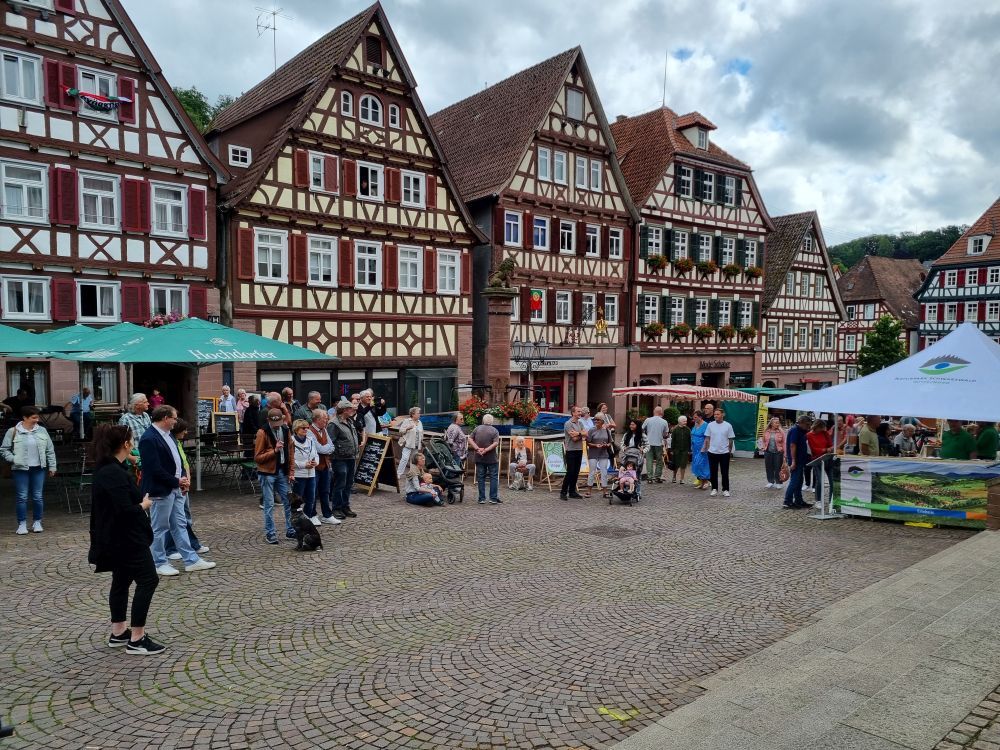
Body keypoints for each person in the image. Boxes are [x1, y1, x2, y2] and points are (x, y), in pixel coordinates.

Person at [87, 424, 165, 655]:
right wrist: (144, 505)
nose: (133, 443)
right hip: (126, 538)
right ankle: (137, 638)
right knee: (148, 580)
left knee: (121, 581)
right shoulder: (112, 472)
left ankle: (119, 631)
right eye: (131, 440)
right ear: (125, 444)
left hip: (118, 537)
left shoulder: (112, 468)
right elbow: (123, 510)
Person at [139, 405, 215, 576]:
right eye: (174, 418)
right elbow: (153, 469)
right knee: (159, 528)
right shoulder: (149, 438)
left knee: (180, 524)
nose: (175, 421)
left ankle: (191, 560)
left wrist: (182, 480)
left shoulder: (168, 436)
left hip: (175, 488)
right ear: (165, 418)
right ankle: (159, 562)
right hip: (161, 490)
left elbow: (177, 460)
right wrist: (176, 480)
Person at [2, 405, 57, 534]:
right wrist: (14, 459)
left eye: (37, 417)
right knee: (22, 497)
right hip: (20, 469)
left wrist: (52, 466)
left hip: (39, 468)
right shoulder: (13, 431)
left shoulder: (42, 431)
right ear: (25, 418)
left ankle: (37, 522)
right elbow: (4, 449)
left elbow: (50, 450)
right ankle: (22, 524)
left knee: (38, 497)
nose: (37, 420)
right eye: (34, 417)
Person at [164, 419, 209, 561]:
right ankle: (172, 548)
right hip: (177, 484)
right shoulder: (169, 442)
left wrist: (188, 479)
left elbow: (184, 463)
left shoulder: (176, 442)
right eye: (183, 429)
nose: (186, 432)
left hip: (183, 483)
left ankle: (189, 545)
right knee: (176, 519)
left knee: (184, 517)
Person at [255, 408, 296, 544]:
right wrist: (274, 450)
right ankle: (270, 533)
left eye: (279, 422)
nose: (277, 425)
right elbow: (258, 458)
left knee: (288, 502)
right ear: (268, 421)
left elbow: (290, 451)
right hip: (267, 473)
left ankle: (290, 530)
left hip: (282, 472)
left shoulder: (285, 430)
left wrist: (291, 471)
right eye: (274, 423)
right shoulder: (263, 432)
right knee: (269, 504)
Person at [327, 401, 358, 522]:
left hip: (351, 457)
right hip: (339, 459)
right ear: (344, 410)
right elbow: (331, 442)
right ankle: (336, 508)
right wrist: (333, 456)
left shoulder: (350, 421)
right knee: (340, 483)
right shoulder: (334, 424)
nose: (352, 410)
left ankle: (345, 506)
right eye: (350, 408)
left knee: (349, 483)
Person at [309, 410, 337, 524]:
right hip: (314, 467)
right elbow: (318, 448)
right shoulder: (310, 431)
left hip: (325, 465)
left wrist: (326, 449)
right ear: (317, 419)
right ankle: (312, 514)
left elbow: (332, 446)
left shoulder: (324, 429)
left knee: (325, 491)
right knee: (313, 492)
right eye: (324, 418)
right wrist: (327, 449)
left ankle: (327, 514)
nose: (326, 420)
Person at [291, 419, 320, 525]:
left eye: (307, 428)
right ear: (296, 429)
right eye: (303, 428)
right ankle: (296, 519)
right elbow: (290, 460)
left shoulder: (310, 440)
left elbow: (316, 454)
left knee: (311, 498)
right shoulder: (291, 441)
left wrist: (315, 462)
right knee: (298, 499)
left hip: (311, 473)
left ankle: (308, 517)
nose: (306, 430)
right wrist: (304, 465)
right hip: (299, 475)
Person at [783, 414, 815, 509]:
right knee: (794, 481)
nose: (809, 427)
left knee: (799, 481)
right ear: (801, 423)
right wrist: (793, 461)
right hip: (796, 460)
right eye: (807, 425)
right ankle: (787, 501)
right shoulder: (795, 430)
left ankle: (798, 500)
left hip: (800, 460)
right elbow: (792, 445)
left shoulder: (801, 430)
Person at [703, 408, 735, 497]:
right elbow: (707, 437)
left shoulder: (728, 425)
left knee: (725, 472)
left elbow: (731, 438)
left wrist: (729, 450)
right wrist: (708, 447)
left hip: (724, 452)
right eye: (715, 414)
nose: (716, 416)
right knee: (713, 472)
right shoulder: (710, 425)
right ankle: (714, 488)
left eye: (718, 414)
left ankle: (725, 489)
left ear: (722, 415)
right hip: (712, 452)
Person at [469, 413, 501, 504]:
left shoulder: (477, 428)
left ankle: (481, 498)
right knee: (493, 477)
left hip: (479, 457)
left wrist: (477, 448)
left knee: (481, 477)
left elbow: (470, 439)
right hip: (491, 458)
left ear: (483, 421)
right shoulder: (495, 430)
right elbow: (495, 443)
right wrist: (486, 450)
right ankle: (493, 498)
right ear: (492, 421)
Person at [560, 406, 585, 501]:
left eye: (580, 411)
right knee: (570, 472)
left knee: (576, 472)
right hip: (570, 450)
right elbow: (574, 439)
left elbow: (586, 434)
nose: (580, 413)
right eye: (578, 411)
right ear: (573, 413)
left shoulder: (581, 423)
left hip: (579, 449)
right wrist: (581, 434)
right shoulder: (568, 423)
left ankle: (572, 492)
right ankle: (563, 492)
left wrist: (578, 433)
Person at [584, 413, 612, 496]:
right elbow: (587, 443)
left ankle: (605, 491)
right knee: (592, 472)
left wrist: (606, 445)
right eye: (595, 419)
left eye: (598, 420)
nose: (596, 421)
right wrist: (595, 445)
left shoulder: (606, 430)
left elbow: (610, 442)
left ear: (603, 421)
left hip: (603, 453)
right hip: (593, 453)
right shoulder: (591, 430)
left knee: (604, 472)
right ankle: (589, 491)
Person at [807, 419, 834, 493]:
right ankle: (818, 500)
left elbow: (831, 445)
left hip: (828, 459)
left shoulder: (824, 433)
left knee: (833, 481)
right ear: (816, 426)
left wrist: (830, 448)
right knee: (820, 482)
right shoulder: (809, 435)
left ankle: (831, 501)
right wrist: (825, 449)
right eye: (821, 428)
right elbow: (813, 449)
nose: (822, 429)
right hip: (817, 460)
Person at [642, 406, 669, 482]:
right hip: (659, 443)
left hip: (649, 442)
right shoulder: (664, 421)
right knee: (659, 460)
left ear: (654, 411)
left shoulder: (648, 420)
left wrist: (644, 437)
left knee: (649, 460)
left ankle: (650, 477)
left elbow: (641, 429)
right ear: (661, 412)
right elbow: (666, 434)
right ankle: (657, 477)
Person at [396, 406, 423, 477]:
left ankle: (412, 473)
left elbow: (421, 433)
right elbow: (400, 431)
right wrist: (407, 428)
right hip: (408, 443)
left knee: (414, 460)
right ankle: (398, 474)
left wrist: (421, 441)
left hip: (416, 444)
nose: (419, 414)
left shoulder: (420, 422)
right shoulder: (407, 421)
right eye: (418, 413)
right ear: (413, 414)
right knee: (404, 459)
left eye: (419, 413)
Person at [760, 417, 786, 488]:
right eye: (776, 422)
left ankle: (778, 482)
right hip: (768, 452)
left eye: (778, 422)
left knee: (778, 467)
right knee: (769, 467)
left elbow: (784, 442)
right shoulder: (766, 431)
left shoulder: (781, 431)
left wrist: (785, 454)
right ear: (771, 424)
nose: (778, 424)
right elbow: (762, 440)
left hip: (778, 452)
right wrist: (763, 447)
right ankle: (770, 481)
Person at [689, 411, 711, 490]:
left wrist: (704, 448)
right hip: (695, 448)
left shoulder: (705, 425)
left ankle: (706, 482)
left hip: (702, 448)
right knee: (696, 465)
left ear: (700, 417)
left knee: (701, 464)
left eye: (695, 417)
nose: (694, 419)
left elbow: (707, 438)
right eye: (693, 417)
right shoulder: (696, 424)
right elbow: (692, 435)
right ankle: (701, 482)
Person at [670, 415, 691, 484]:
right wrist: (672, 450)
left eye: (686, 421)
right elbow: (673, 441)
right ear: (680, 422)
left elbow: (689, 440)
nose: (685, 422)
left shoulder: (688, 430)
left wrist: (689, 450)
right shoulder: (675, 430)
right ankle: (674, 477)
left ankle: (682, 479)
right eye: (684, 421)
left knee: (683, 465)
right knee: (675, 464)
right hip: (676, 450)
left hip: (685, 450)